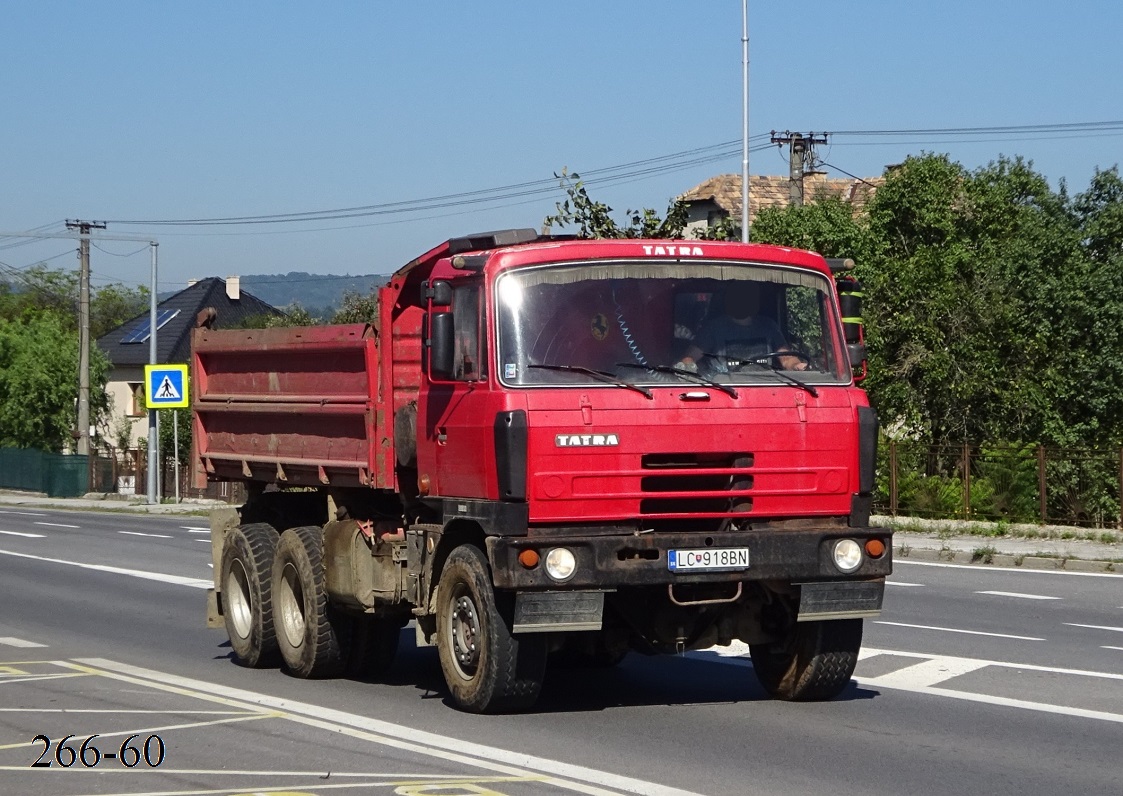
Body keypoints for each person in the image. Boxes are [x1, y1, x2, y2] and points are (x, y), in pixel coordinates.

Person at [676, 281, 808, 373]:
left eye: (747, 297)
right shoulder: (714, 328)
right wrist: (687, 367)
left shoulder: (768, 326)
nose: (743, 300)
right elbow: (689, 358)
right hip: (724, 390)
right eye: (738, 296)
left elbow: (786, 359)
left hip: (766, 389)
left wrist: (797, 365)